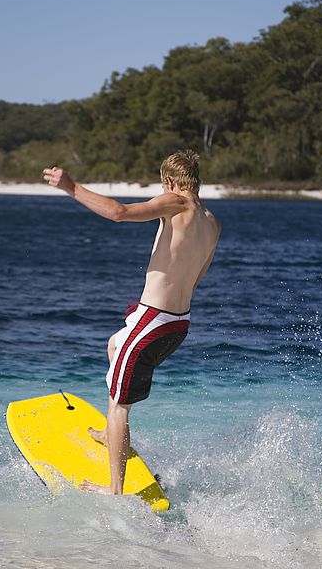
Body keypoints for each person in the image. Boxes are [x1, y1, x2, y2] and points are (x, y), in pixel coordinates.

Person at [43, 150, 221, 495]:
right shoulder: (212, 221)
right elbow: (196, 279)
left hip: (154, 321)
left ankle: (114, 490)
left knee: (118, 403)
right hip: (178, 323)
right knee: (114, 344)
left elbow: (118, 213)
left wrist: (70, 186)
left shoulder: (176, 202)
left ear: (169, 181)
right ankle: (109, 434)